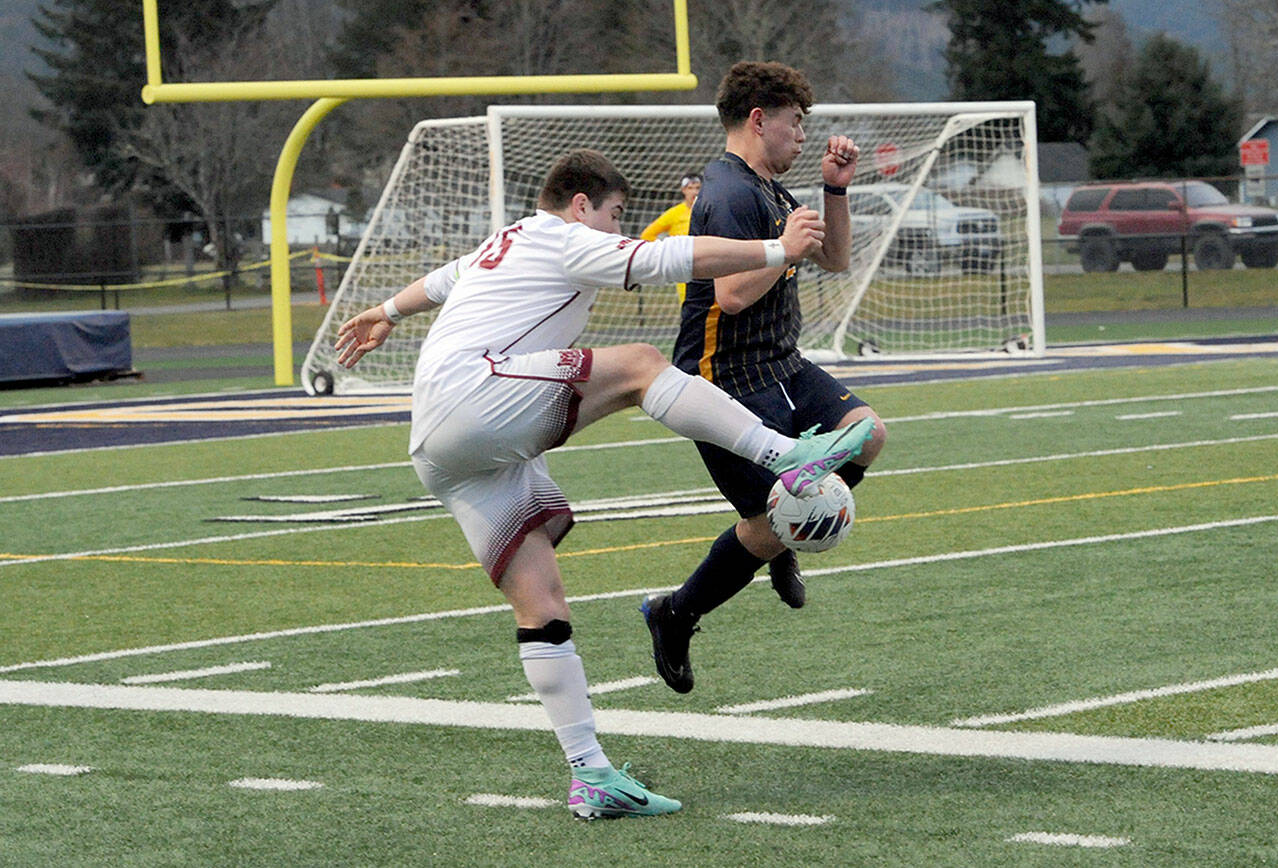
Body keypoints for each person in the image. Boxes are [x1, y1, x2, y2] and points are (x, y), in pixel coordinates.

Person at [334, 149, 877, 820]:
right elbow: (660, 262)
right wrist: (774, 247)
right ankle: (787, 458)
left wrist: (388, 309)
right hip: (474, 396)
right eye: (616, 216)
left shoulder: (505, 243)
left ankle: (590, 776)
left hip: (440, 445)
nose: (622, 231)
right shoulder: (562, 237)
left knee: (543, 603)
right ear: (579, 205)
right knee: (642, 366)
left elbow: (442, 281)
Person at [642, 61, 889, 694]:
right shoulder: (728, 192)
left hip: (782, 363)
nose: (803, 136)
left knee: (867, 434)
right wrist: (783, 246)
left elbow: (834, 257)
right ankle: (675, 613)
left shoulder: (770, 190)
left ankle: (782, 538)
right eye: (795, 122)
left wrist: (835, 191)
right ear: (759, 120)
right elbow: (727, 296)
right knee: (772, 520)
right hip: (721, 375)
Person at [639, 172, 703, 303]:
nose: (694, 192)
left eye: (698, 188)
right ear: (683, 190)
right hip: (685, 265)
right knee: (689, 304)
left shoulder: (708, 210)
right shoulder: (674, 213)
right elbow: (647, 234)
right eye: (690, 188)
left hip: (707, 261)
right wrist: (666, 253)